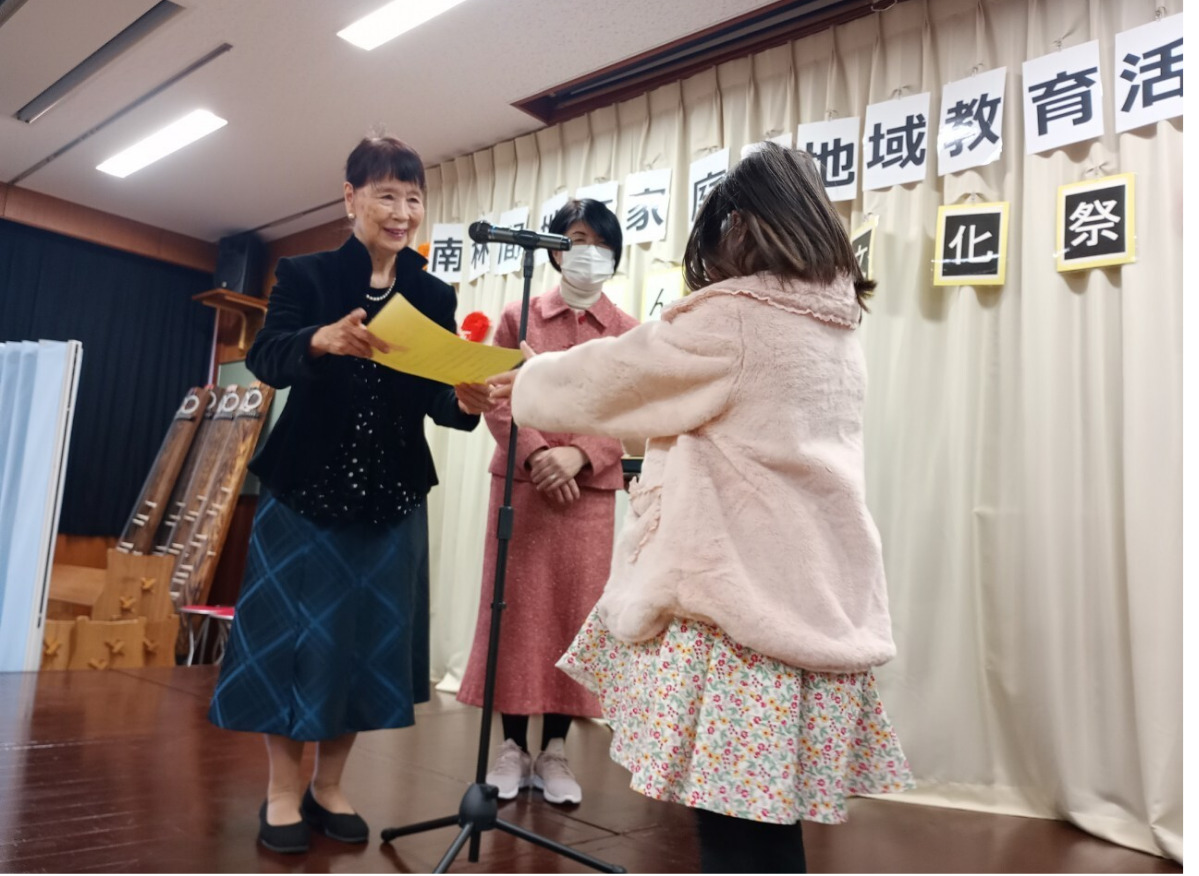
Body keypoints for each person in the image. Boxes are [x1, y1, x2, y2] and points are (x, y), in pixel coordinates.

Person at [489, 142, 913, 873]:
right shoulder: (834, 322)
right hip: (810, 594)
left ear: (741, 225)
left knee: (734, 833)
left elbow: (622, 373)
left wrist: (529, 380)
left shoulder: (739, 317)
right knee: (768, 823)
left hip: (740, 609)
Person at [208, 135, 493, 855]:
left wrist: (464, 400)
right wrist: (319, 340)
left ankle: (329, 786)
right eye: (386, 195)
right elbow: (266, 356)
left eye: (413, 198)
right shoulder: (305, 274)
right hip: (304, 490)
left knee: (361, 647)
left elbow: (436, 398)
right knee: (291, 646)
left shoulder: (433, 294)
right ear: (351, 198)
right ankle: (281, 790)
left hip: (391, 497)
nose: (402, 212)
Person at [457, 199, 639, 805]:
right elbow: (496, 397)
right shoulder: (520, 316)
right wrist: (537, 454)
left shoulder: (627, 331)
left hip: (587, 497)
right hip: (523, 489)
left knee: (571, 616)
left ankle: (556, 750)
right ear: (555, 248)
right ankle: (512, 747)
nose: (589, 253)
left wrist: (583, 455)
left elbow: (633, 411)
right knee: (515, 613)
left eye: (602, 243)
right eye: (577, 239)